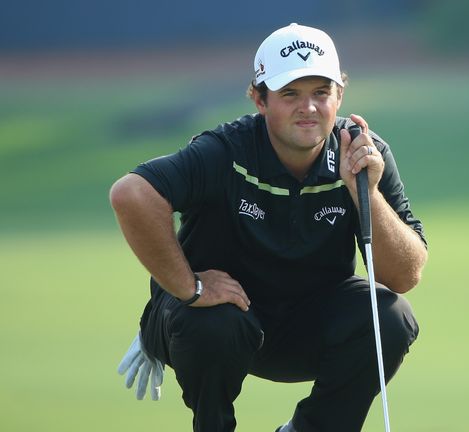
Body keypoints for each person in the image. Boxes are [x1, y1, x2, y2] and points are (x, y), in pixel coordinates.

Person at [109, 23, 427, 432]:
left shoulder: (363, 153)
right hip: (219, 321)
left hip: (305, 325)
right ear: (259, 98)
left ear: (340, 95)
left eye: (320, 92)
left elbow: (404, 275)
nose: (308, 108)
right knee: (215, 323)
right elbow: (131, 195)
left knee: (391, 315)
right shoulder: (225, 152)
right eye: (290, 94)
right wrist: (187, 288)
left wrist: (366, 192)